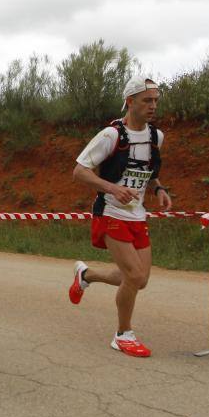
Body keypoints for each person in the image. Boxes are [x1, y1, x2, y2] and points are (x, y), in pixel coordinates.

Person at [69, 76, 171, 358]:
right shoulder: (111, 135)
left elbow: (150, 170)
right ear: (130, 101)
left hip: (137, 215)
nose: (153, 106)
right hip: (110, 212)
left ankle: (86, 274)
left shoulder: (155, 136)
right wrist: (112, 188)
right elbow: (79, 171)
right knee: (134, 275)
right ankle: (123, 334)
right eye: (147, 100)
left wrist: (158, 188)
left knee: (140, 279)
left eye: (155, 101)